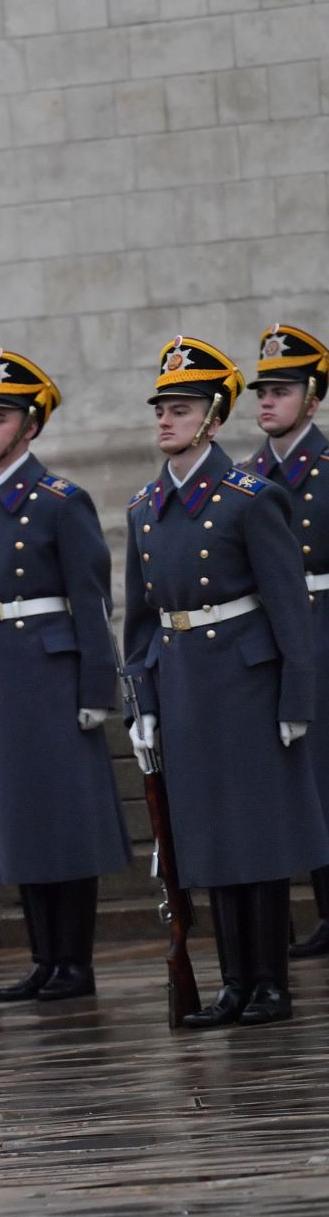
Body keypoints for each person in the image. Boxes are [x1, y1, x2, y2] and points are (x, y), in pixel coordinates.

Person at [124, 335, 329, 1026]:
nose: (165, 421)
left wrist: (296, 697)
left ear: (213, 418)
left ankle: (269, 980)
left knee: (258, 836)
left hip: (247, 683)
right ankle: (233, 982)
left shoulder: (250, 498)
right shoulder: (144, 506)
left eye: (180, 410)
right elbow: (142, 621)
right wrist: (142, 702)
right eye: (161, 409)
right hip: (184, 685)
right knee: (209, 838)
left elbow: (287, 604)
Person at [0, 352, 130, 1002]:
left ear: (31, 427)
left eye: (0, 418)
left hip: (50, 675)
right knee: (17, 822)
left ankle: (74, 961)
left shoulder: (61, 502)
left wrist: (97, 689)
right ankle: (44, 957)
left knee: (62, 822)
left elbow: (91, 599)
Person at [235, 325, 329, 958]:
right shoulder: (242, 479)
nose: (267, 402)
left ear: (313, 398)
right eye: (262, 391)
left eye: (282, 390)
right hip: (275, 638)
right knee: (298, 780)